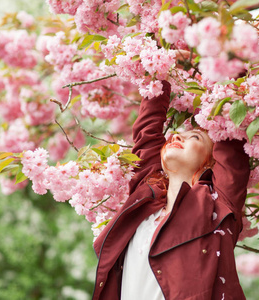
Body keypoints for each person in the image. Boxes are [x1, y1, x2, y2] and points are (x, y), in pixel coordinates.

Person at [92, 80, 250, 300]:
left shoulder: (219, 202)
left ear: (211, 163)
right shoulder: (144, 197)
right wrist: (160, 66)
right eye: (174, 136)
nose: (176, 136)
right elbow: (146, 133)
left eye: (194, 137)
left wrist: (225, 66)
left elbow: (230, 136)